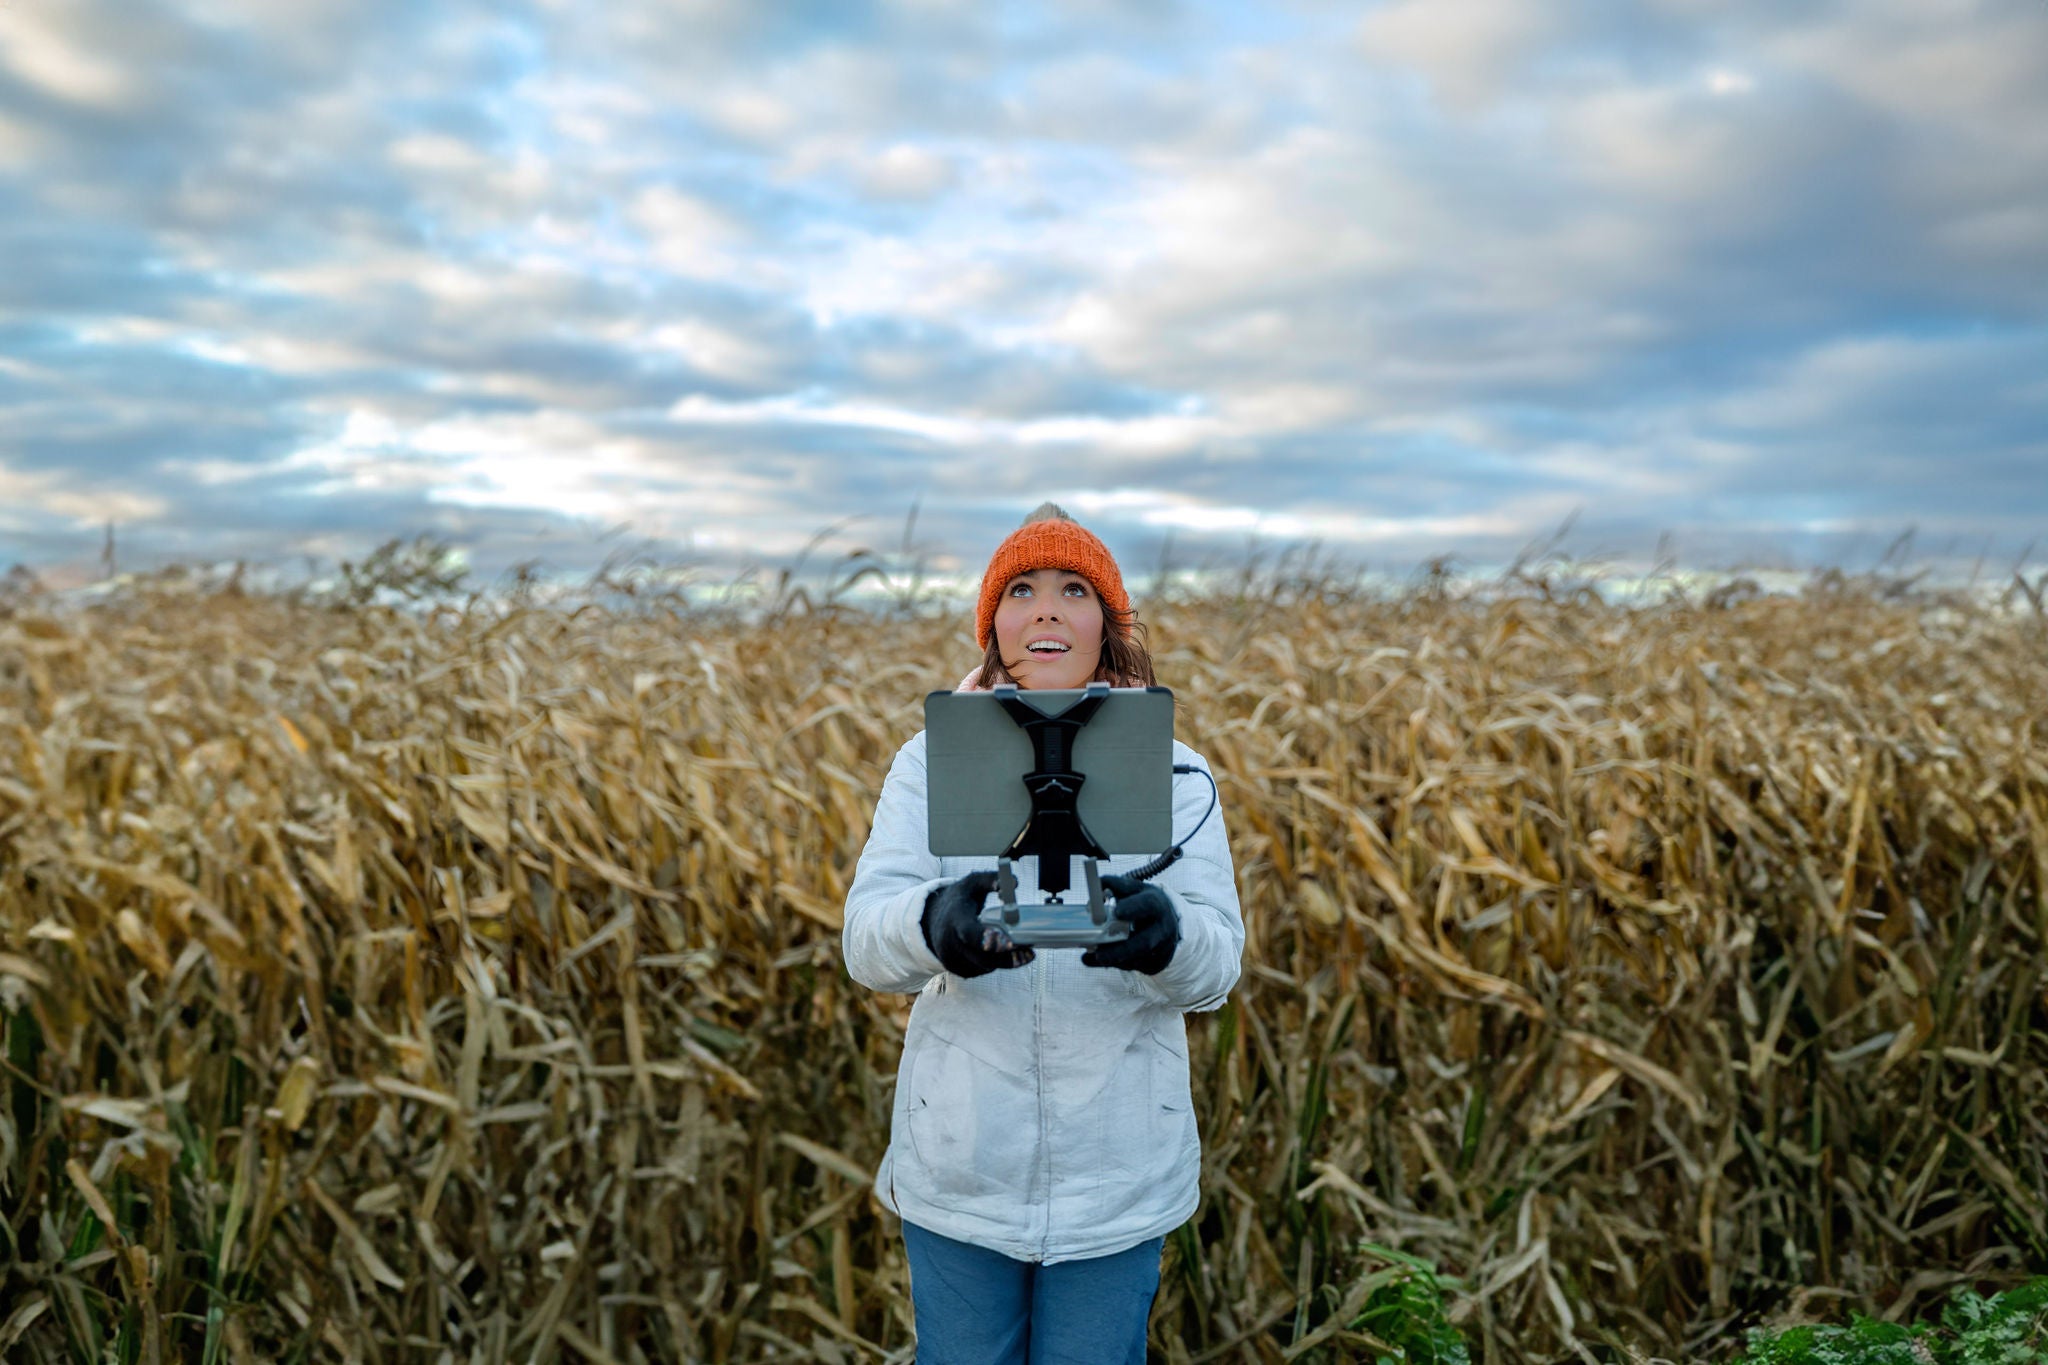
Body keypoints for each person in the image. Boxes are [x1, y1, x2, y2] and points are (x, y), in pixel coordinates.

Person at [842, 503, 1244, 1365]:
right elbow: (866, 941)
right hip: (963, 1170)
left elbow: (1218, 963)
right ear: (994, 624)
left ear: (1109, 625)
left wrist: (1167, 939)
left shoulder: (1179, 769)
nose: (1048, 609)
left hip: (1119, 1178)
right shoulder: (927, 761)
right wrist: (935, 923)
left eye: (1075, 590)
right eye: (1021, 590)